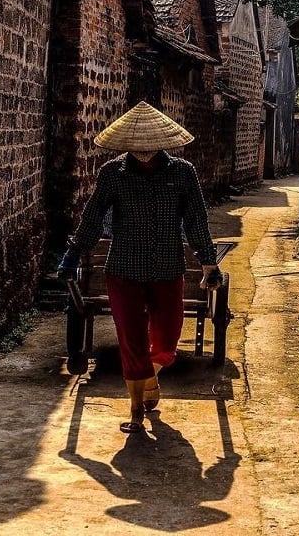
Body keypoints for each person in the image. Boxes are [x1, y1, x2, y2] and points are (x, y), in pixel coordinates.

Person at [58, 101, 222, 434]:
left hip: (167, 267)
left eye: (150, 147)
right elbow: (91, 219)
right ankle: (134, 410)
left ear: (162, 142)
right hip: (123, 269)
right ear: (127, 145)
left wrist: (208, 262)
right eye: (138, 147)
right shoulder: (112, 174)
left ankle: (150, 379)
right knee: (131, 340)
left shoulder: (182, 173)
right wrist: (73, 254)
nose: (144, 152)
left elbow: (196, 221)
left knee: (166, 341)